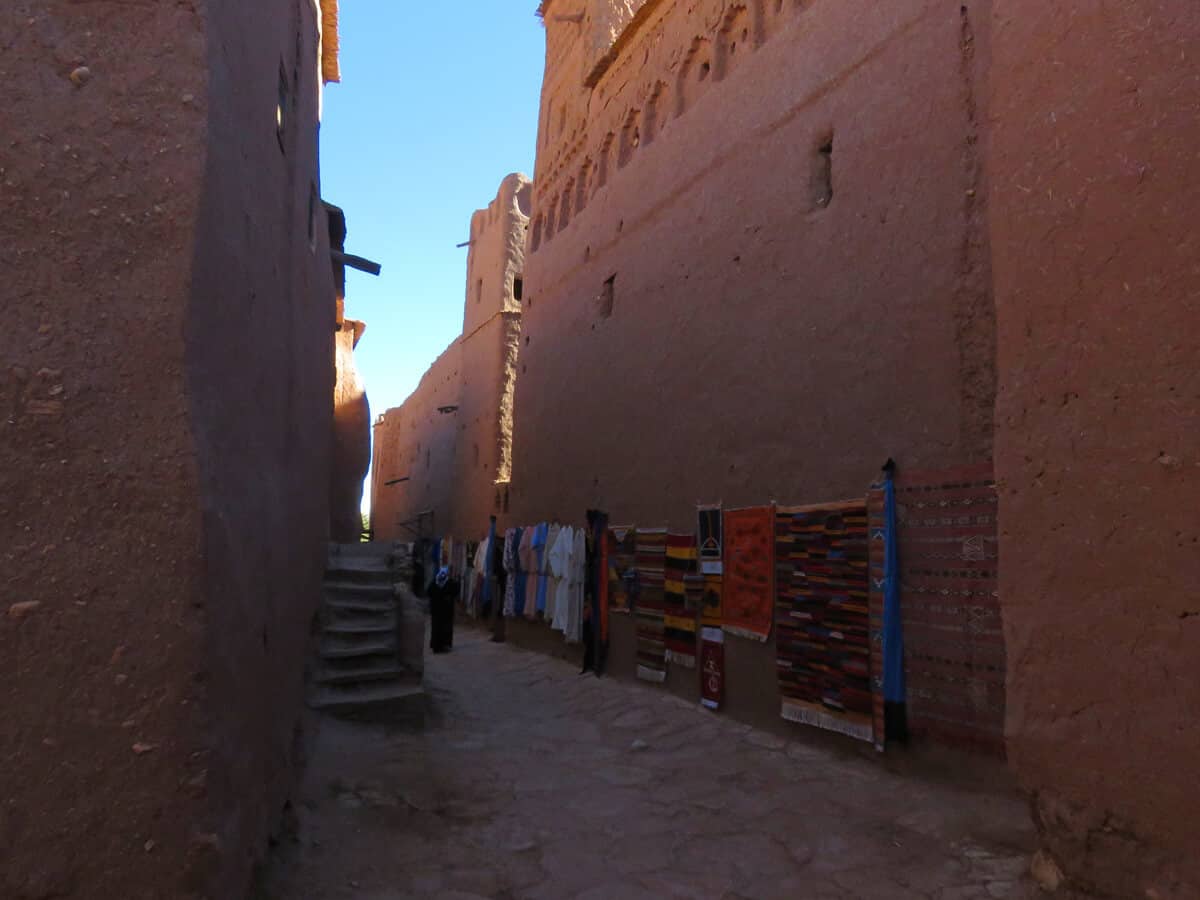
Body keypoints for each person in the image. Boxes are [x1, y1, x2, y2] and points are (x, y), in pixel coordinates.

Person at [428, 566, 457, 654]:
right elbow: (455, 592)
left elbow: (428, 592)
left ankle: (436, 647)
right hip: (446, 611)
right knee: (444, 628)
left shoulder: (434, 581)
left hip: (436, 611)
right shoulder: (449, 582)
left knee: (436, 628)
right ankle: (443, 646)